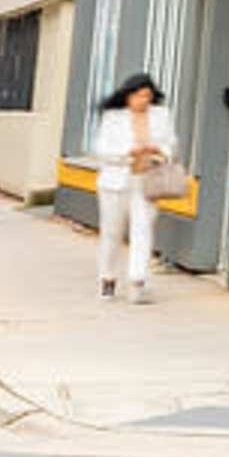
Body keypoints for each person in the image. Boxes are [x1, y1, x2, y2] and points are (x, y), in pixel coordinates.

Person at [90, 74, 171, 303]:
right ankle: (108, 278)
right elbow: (102, 150)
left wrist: (160, 152)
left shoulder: (160, 116)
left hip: (146, 181)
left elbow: (170, 144)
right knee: (112, 232)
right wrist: (128, 151)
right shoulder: (113, 117)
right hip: (115, 183)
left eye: (147, 96)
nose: (143, 100)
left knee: (143, 230)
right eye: (138, 95)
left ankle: (138, 282)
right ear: (128, 95)